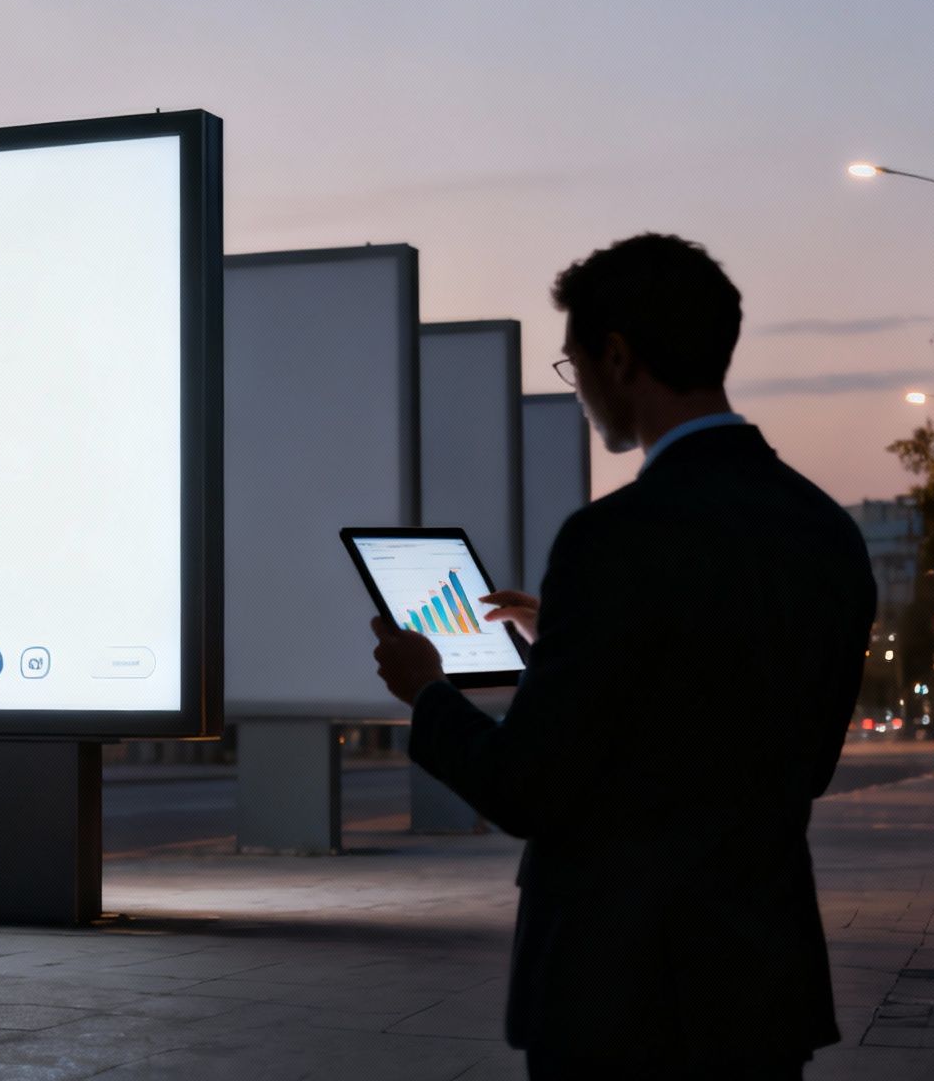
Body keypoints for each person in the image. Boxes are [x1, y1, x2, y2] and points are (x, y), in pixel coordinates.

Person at [370, 233, 877, 1080]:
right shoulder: (826, 529)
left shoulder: (612, 539)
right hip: (762, 981)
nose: (579, 390)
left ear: (617, 355)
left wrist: (427, 692)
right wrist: (570, 639)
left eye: (573, 365)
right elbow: (773, 742)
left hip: (617, 992)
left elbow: (525, 787)